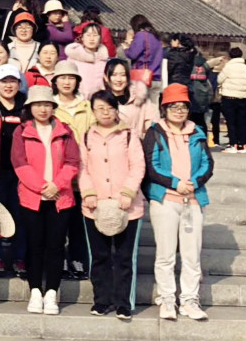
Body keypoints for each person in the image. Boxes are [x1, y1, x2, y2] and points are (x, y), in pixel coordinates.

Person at [143, 83, 213, 321]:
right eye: (173, 107)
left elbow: (208, 163)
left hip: (193, 199)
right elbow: (152, 166)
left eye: (183, 107)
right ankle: (166, 298)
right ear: (164, 109)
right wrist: (175, 183)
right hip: (165, 199)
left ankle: (190, 299)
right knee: (166, 254)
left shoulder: (197, 132)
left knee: (192, 254)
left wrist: (195, 181)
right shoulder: (155, 132)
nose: (179, 111)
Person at [11, 85, 80, 315]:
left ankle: (51, 292)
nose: (43, 109)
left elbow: (72, 162)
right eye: (38, 105)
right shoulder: (21, 131)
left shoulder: (64, 130)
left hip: (60, 197)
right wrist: (42, 187)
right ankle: (35, 291)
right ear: (30, 107)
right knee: (34, 246)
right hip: (32, 198)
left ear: (53, 106)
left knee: (56, 246)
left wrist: (56, 185)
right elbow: (20, 163)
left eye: (47, 104)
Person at [79, 90, 146, 319]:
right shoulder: (87, 136)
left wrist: (128, 192)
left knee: (124, 257)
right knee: (99, 256)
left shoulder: (128, 135)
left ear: (117, 110)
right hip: (95, 206)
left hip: (127, 206)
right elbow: (82, 168)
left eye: (110, 108)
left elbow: (138, 165)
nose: (105, 113)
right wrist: (88, 193)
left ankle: (123, 303)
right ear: (93, 111)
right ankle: (102, 300)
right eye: (100, 108)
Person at [52, 60, 94, 280]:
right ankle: (58, 260)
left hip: (82, 174)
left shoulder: (87, 107)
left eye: (71, 78)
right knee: (58, 223)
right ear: (55, 81)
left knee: (78, 222)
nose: (67, 82)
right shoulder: (49, 105)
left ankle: (77, 259)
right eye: (62, 78)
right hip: (55, 175)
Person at [0, 64, 27, 278]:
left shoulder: (26, 108)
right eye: (4, 81)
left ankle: (20, 258)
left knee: (20, 215)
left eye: (12, 81)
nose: (8, 86)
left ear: (19, 84)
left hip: (22, 172)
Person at [103, 59, 158, 138]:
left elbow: (152, 124)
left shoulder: (140, 98)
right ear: (106, 77)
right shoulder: (101, 101)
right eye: (114, 75)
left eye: (123, 75)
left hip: (137, 143)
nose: (119, 79)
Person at [122, 14, 163, 106]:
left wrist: (126, 48)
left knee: (139, 107)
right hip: (156, 77)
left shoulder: (141, 35)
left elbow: (132, 54)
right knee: (153, 107)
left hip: (143, 77)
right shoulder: (156, 37)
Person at [218, 48, 246, 153]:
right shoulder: (245, 67)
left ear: (230, 56)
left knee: (231, 122)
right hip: (243, 97)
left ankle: (233, 144)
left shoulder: (229, 66)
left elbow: (219, 79)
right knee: (241, 121)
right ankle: (242, 145)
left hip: (229, 97)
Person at [65, 22, 108, 100]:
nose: (91, 39)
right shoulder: (73, 58)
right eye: (88, 35)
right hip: (78, 100)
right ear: (82, 38)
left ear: (100, 39)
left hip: (99, 101)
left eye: (95, 35)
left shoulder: (103, 60)